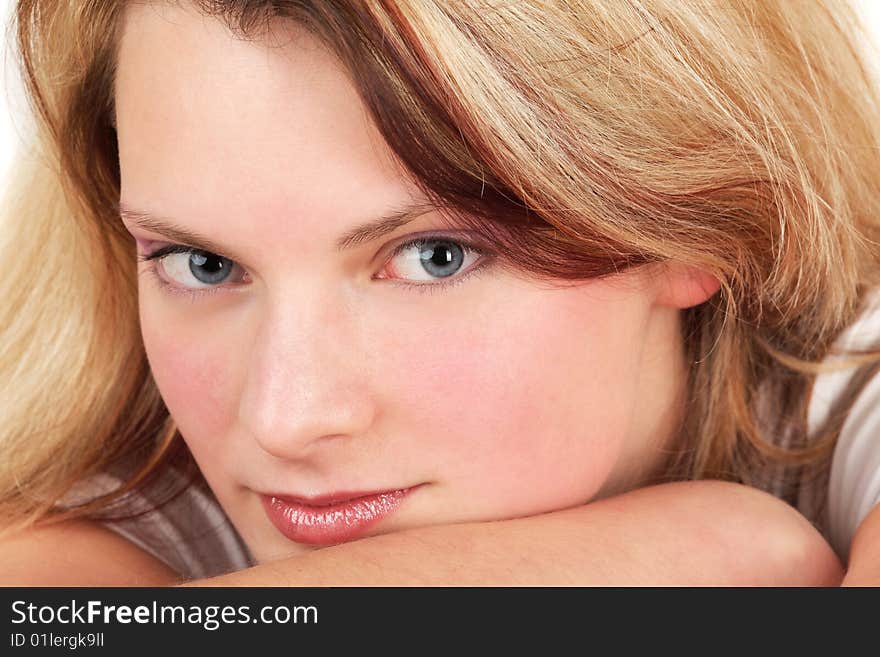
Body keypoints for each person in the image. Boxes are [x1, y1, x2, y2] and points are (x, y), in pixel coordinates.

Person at [0, 0, 877, 586]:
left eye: (434, 256)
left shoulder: (855, 389)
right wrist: (718, 552)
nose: (283, 418)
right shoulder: (126, 449)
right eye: (204, 264)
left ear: (695, 228)